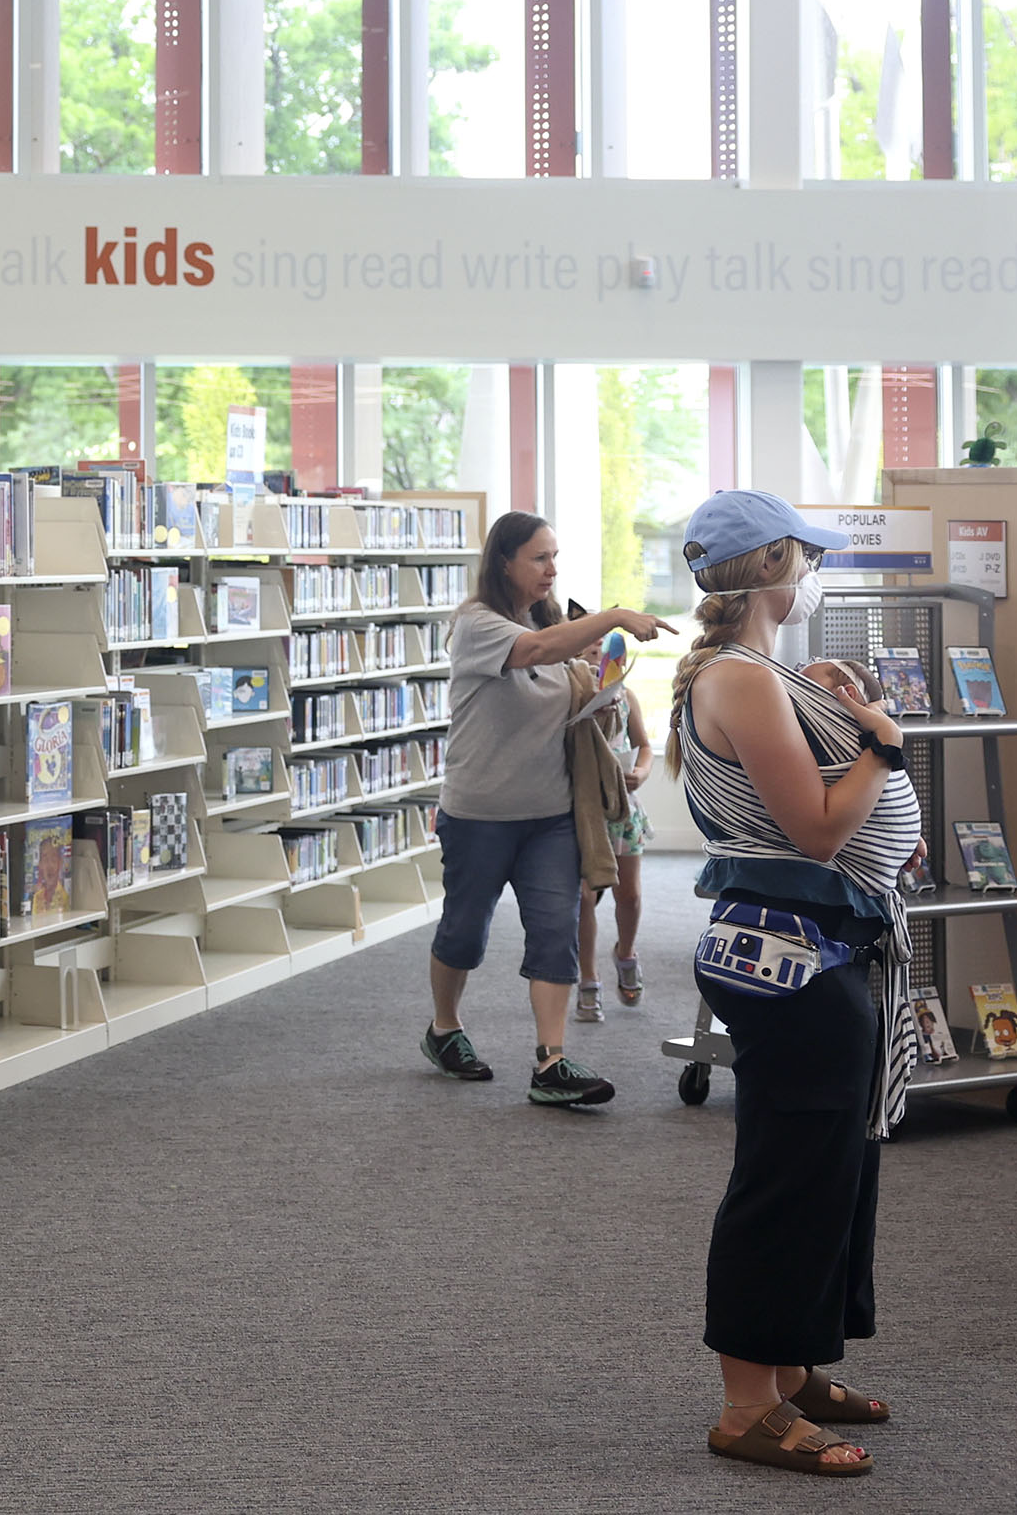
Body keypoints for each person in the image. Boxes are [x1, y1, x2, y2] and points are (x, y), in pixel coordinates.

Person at [668, 492, 917, 1477]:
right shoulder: (739, 677)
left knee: (832, 1170)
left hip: (817, 946)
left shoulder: (755, 670)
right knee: (790, 1172)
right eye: (810, 559)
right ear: (777, 566)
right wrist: (884, 748)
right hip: (791, 959)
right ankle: (746, 1404)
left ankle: (790, 1366)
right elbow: (818, 827)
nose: (817, 575)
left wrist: (830, 702)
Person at [421, 510, 671, 1108]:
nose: (552, 569)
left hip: (551, 815)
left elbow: (567, 689)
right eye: (539, 557)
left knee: (556, 932)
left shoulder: (554, 627)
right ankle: (444, 1028)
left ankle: (550, 1061)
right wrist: (611, 617)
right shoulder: (477, 624)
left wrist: (602, 703)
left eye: (555, 557)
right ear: (503, 562)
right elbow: (532, 651)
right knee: (464, 932)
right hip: (480, 813)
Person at [576, 689, 654, 1021]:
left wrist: (640, 773)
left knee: (630, 895)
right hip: (582, 811)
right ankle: (588, 980)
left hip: (622, 809)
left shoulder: (626, 695)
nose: (595, 649)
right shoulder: (569, 692)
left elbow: (645, 747)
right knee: (583, 898)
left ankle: (625, 954)